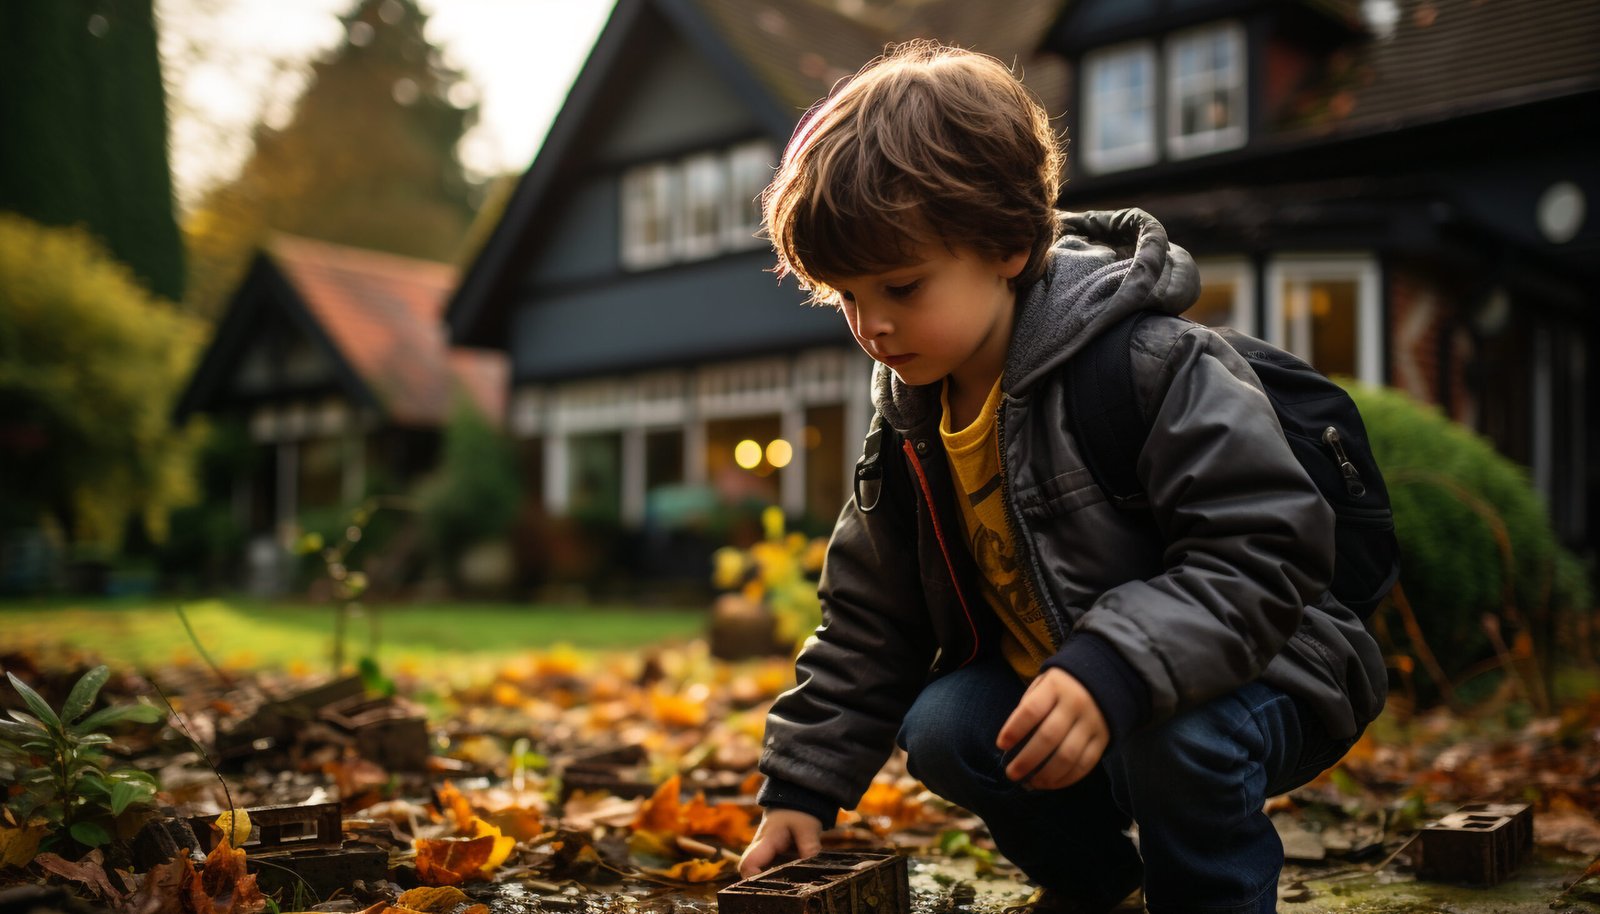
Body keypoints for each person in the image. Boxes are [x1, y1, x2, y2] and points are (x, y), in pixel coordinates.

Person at [736, 40, 1388, 914]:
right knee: (945, 729)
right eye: (847, 297)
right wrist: (801, 788)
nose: (873, 327)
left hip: (1263, 673)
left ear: (1006, 245)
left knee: (1176, 741)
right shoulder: (910, 420)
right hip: (1066, 689)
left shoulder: (1147, 363)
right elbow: (870, 616)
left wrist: (1112, 669)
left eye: (901, 286)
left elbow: (1264, 548)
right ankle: (1099, 890)